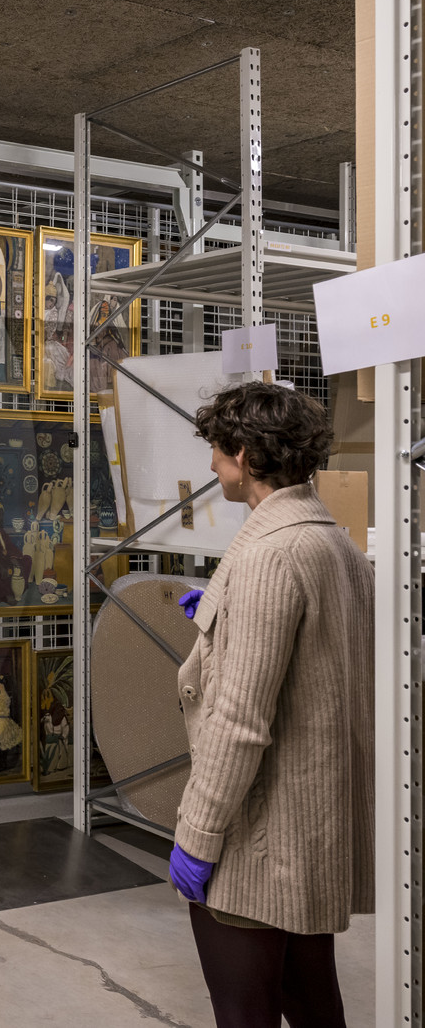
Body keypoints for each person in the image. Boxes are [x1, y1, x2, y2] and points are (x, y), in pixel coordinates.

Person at [169, 382, 373, 1027]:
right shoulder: (333, 542)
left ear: (246, 455)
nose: (210, 466)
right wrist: (224, 619)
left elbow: (238, 721)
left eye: (218, 452)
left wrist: (198, 838)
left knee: (244, 1012)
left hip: (261, 835)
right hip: (312, 828)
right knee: (314, 1005)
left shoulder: (270, 553)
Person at [0, 675, 22, 773]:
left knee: (3, 744)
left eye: (0, 685)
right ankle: (0, 762)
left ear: (3, 686)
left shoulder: (5, 697)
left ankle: (4, 763)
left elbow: (5, 711)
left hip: (2, 722)